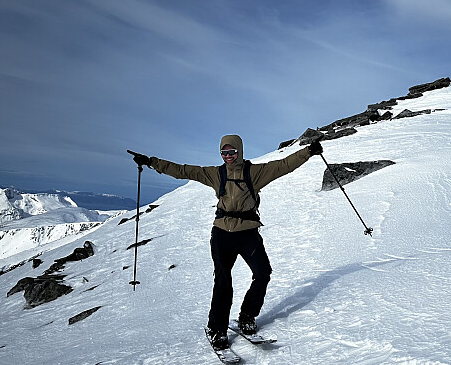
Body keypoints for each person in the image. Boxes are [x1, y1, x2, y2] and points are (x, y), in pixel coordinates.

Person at [131, 135, 323, 350]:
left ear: (240, 151)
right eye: (224, 153)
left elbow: (284, 165)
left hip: (248, 232)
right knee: (223, 281)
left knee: (262, 273)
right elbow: (183, 170)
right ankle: (217, 329)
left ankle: (247, 316)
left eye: (232, 152)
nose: (228, 157)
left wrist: (308, 152)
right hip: (222, 233)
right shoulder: (216, 174)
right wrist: (151, 162)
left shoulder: (255, 172)